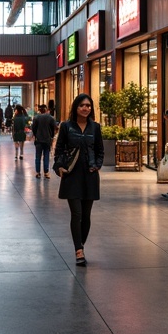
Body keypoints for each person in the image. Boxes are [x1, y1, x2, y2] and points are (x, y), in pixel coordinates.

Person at [56, 93, 104, 266]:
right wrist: (59, 167)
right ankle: (78, 250)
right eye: (82, 105)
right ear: (76, 107)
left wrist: (97, 165)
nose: (85, 108)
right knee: (76, 214)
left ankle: (81, 244)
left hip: (90, 175)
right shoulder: (66, 126)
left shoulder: (95, 127)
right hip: (72, 175)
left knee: (86, 215)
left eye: (88, 106)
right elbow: (59, 149)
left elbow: (100, 150)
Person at [31, 103, 57, 178]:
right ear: (46, 110)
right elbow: (54, 128)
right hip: (47, 139)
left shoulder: (36, 118)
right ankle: (46, 172)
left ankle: (38, 172)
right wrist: (51, 136)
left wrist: (36, 135)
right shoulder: (51, 118)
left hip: (38, 139)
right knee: (46, 155)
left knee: (38, 156)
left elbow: (33, 128)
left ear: (39, 110)